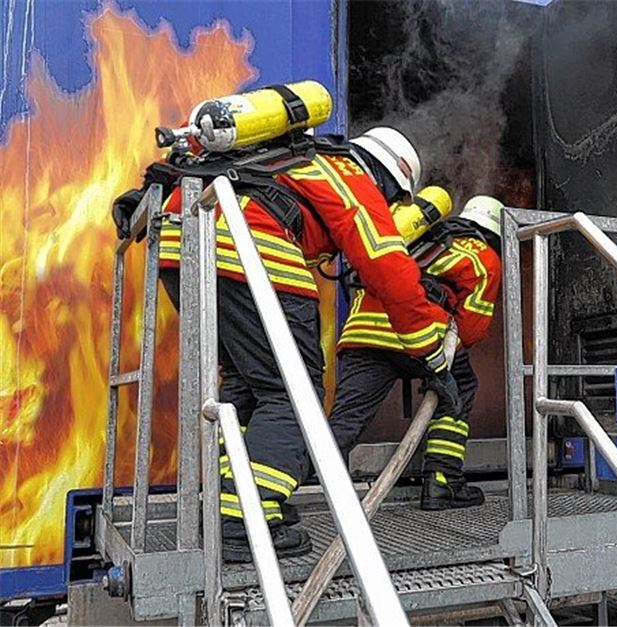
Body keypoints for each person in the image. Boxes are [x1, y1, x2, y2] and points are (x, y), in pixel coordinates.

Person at [112, 126, 460, 562]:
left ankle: (229, 503)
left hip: (183, 250)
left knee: (245, 387)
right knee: (293, 394)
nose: (390, 208)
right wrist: (431, 355)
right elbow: (387, 266)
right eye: (394, 199)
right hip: (251, 252)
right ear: (389, 178)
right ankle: (246, 521)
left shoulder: (288, 160)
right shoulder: (349, 172)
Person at [331, 195, 503, 510]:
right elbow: (471, 328)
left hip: (362, 331)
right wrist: (443, 365)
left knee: (347, 418)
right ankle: (441, 482)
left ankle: (314, 489)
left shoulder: (422, 233)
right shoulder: (483, 256)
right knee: (459, 388)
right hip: (419, 335)